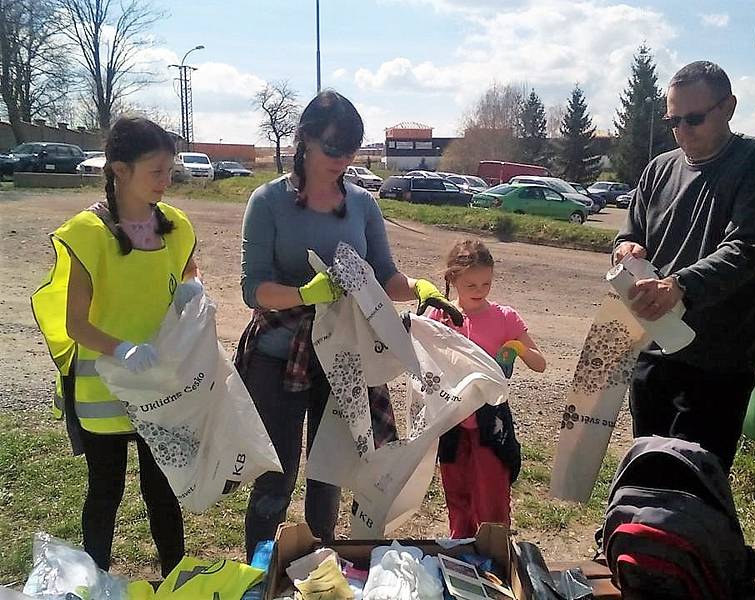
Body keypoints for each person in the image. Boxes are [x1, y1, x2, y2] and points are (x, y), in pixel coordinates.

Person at [235, 90, 462, 559]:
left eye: (351, 150)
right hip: (280, 356)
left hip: (344, 358)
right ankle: (261, 574)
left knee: (330, 474)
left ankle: (324, 567)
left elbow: (385, 275)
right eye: (334, 149)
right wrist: (303, 294)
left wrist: (418, 287)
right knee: (277, 476)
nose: (343, 160)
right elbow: (252, 289)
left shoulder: (362, 204)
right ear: (304, 140)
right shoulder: (268, 201)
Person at [31, 116, 201, 575]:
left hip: (157, 385)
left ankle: (175, 576)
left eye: (170, 170)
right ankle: (94, 579)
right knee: (105, 492)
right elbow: (76, 324)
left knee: (162, 489)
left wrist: (192, 289)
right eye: (156, 172)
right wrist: (121, 349)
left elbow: (187, 275)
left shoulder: (175, 227)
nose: (167, 181)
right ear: (118, 170)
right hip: (103, 390)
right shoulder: (90, 234)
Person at [613, 60, 755, 472]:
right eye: (673, 120)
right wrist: (627, 250)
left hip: (718, 360)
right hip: (653, 349)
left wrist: (681, 286)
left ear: (728, 107)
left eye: (693, 119)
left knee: (695, 482)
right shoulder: (659, 168)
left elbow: (746, 248)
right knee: (648, 466)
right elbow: (628, 234)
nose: (682, 131)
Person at [429, 239, 546, 538]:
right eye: (471, 286)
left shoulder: (505, 317)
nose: (479, 291)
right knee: (457, 493)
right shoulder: (440, 316)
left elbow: (540, 364)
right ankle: (462, 552)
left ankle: (494, 552)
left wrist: (517, 347)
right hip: (453, 418)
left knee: (491, 494)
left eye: (486, 284)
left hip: (490, 420)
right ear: (452, 279)